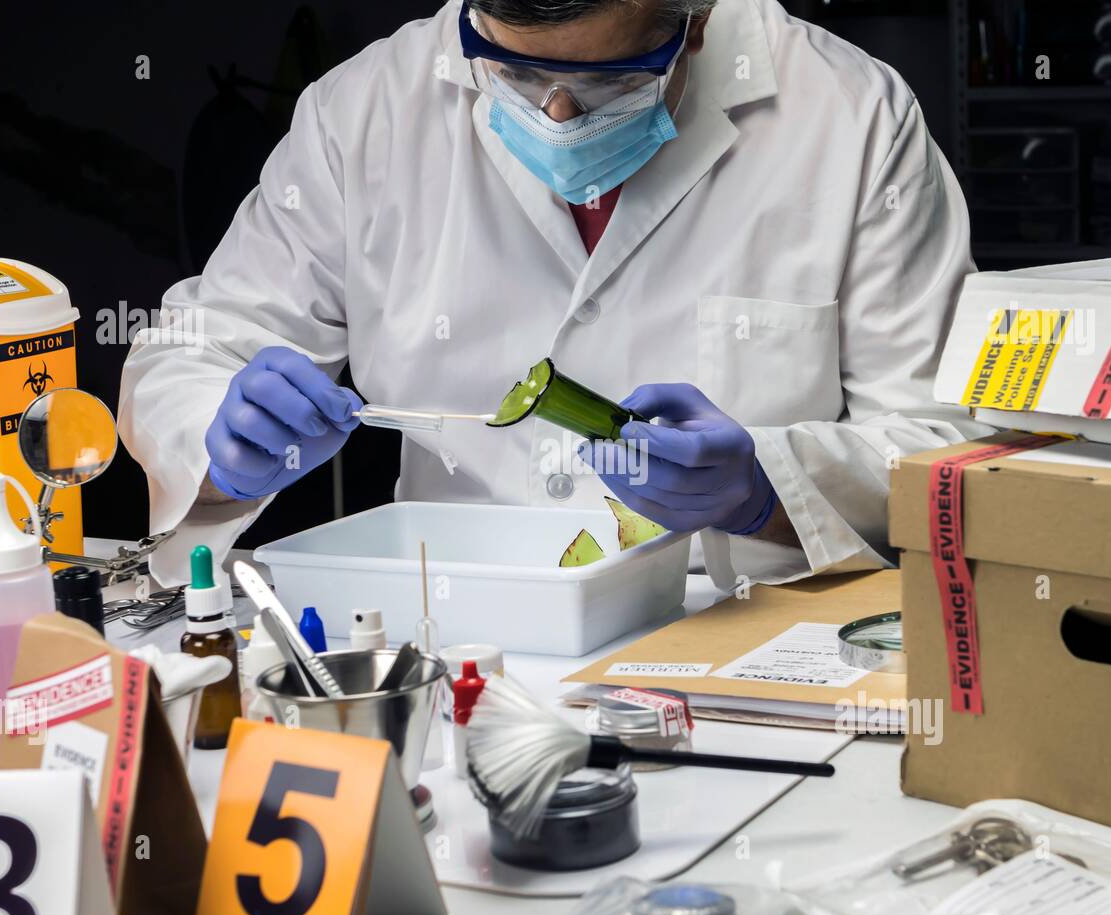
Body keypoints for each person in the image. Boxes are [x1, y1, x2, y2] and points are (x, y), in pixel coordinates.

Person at [120, 0, 985, 588]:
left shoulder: (850, 115)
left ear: (696, 22)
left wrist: (764, 486)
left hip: (741, 638)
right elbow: (197, 348)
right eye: (516, 76)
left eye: (612, 81)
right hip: (453, 624)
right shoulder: (367, 111)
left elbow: (951, 444)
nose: (561, 116)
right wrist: (223, 439)